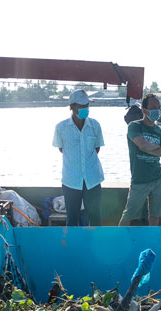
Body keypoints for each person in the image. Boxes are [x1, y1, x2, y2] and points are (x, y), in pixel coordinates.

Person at [52, 89, 105, 226]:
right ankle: (73, 246)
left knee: (96, 219)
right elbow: (61, 149)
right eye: (81, 105)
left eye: (87, 105)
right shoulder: (61, 127)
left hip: (92, 179)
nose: (85, 108)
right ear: (72, 106)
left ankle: (94, 246)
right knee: (71, 219)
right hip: (71, 180)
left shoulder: (95, 125)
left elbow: (97, 148)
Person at [119, 94, 161, 226]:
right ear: (144, 110)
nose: (157, 110)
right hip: (139, 180)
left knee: (155, 215)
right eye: (153, 107)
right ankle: (117, 241)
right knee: (129, 215)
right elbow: (141, 144)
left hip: (158, 178)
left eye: (159, 107)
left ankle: (151, 241)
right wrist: (156, 148)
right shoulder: (134, 126)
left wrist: (148, 147)